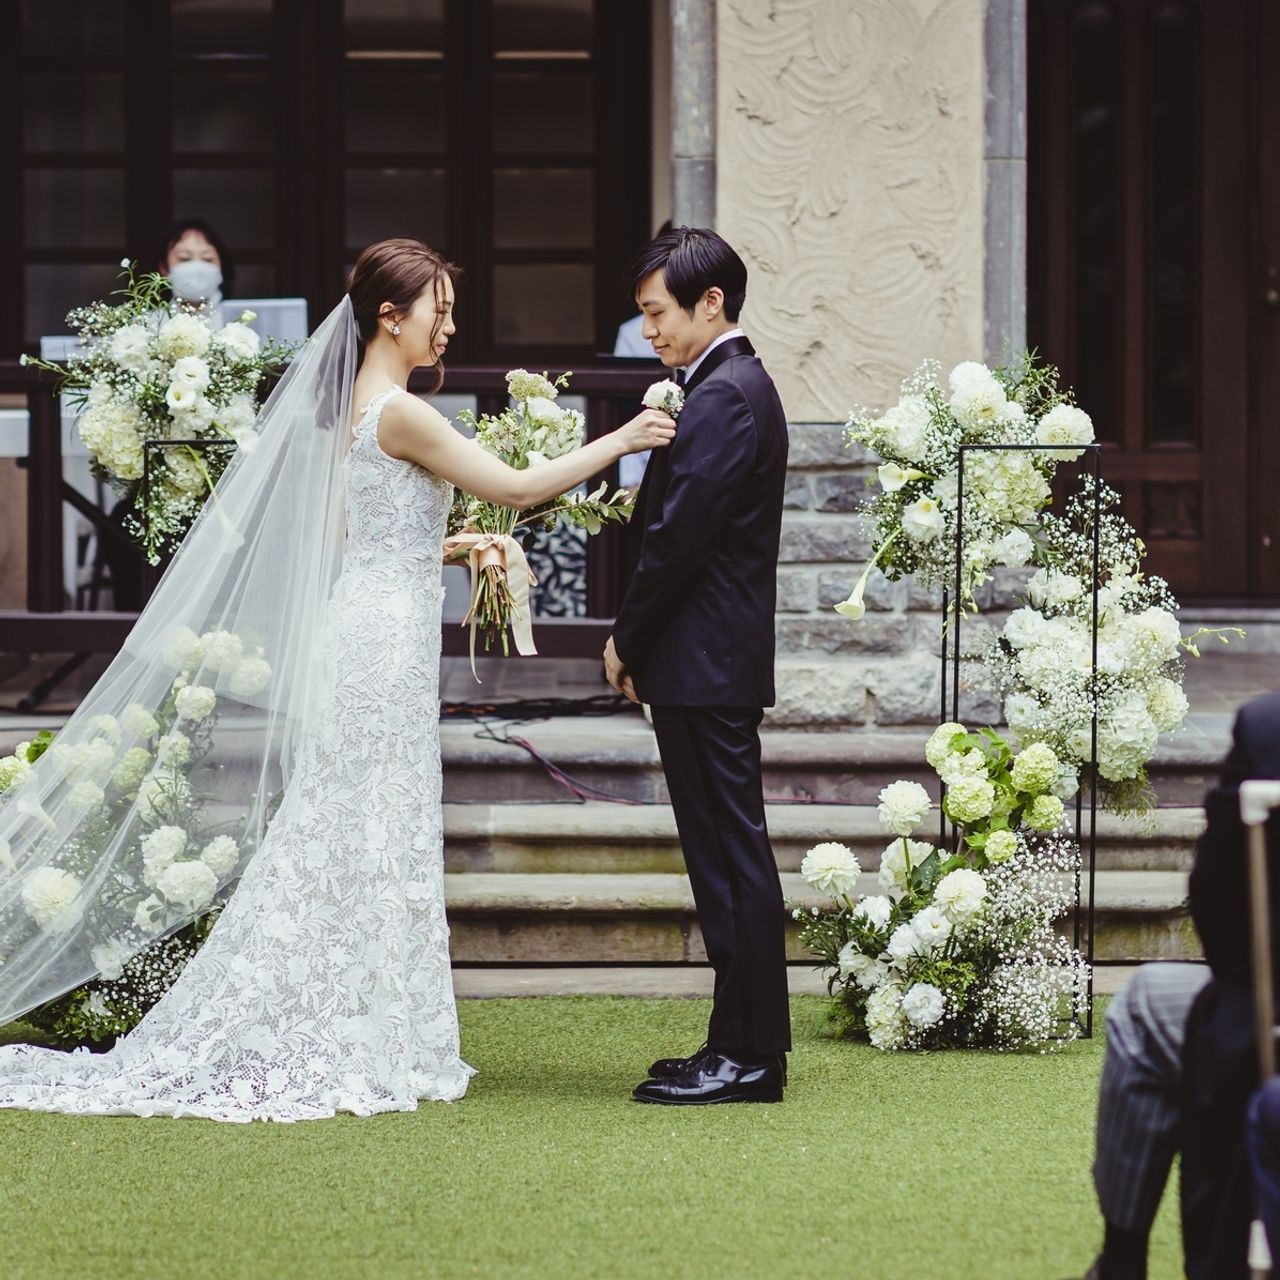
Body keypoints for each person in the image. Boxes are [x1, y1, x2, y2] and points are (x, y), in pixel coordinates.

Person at [0, 238, 674, 1121]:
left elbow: (368, 538)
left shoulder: (362, 405)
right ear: (391, 316)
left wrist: (451, 547)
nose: (449, 327)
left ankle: (367, 1019)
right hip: (378, 644)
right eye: (439, 310)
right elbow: (515, 488)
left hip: (373, 626)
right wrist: (623, 436)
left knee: (363, 815)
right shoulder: (401, 411)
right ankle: (353, 1023)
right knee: (365, 815)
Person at [604, 226, 791, 1106]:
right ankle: (734, 1041)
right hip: (708, 658)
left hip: (705, 659)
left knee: (728, 856)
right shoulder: (724, 388)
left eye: (657, 313)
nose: (648, 331)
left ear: (710, 302)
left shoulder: (726, 395)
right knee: (722, 853)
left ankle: (749, 1057)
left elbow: (679, 542)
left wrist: (627, 638)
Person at [1080, 691, 1280, 1280]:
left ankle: (1121, 1260)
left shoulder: (1269, 733)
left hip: (1270, 1031)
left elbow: (1219, 917)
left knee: (1148, 1003)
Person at [159, 218, 235, 307]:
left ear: (221, 267)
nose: (197, 269)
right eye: (185, 259)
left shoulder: (241, 315)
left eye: (207, 259)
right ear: (164, 268)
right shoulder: (150, 316)